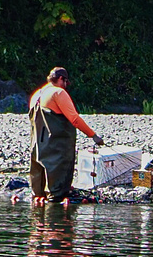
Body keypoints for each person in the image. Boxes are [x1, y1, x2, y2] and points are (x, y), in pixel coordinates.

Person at [26, 67, 103, 205]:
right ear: (61, 79)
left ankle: (39, 204)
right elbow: (74, 119)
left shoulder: (37, 94)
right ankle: (56, 207)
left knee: (39, 180)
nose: (66, 85)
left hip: (37, 145)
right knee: (56, 188)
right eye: (66, 81)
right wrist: (93, 135)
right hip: (56, 145)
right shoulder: (58, 93)